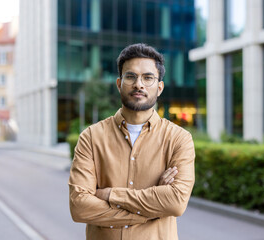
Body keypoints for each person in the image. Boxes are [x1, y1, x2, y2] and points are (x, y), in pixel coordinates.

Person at [69, 43, 195, 240]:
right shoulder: (91, 137)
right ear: (119, 83)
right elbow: (80, 207)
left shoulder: (179, 139)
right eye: (131, 76)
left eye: (148, 77)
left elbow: (176, 202)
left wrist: (109, 195)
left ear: (159, 87)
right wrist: (153, 208)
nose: (139, 84)